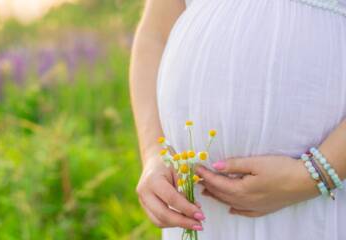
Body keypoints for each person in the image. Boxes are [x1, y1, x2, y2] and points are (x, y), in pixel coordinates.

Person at [129, 0, 346, 239]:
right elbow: (155, 34)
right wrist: (153, 153)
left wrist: (313, 176)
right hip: (200, 203)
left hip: (314, 202)